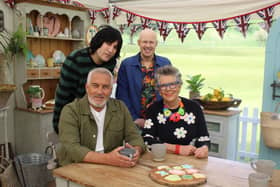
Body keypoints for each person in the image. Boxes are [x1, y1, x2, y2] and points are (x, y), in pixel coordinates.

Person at [57, 68, 145, 167]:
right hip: (77, 166)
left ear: (111, 90)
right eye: (95, 86)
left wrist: (136, 151)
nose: (100, 92)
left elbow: (135, 137)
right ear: (87, 87)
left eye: (105, 87)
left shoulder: (120, 107)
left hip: (112, 166)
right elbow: (72, 148)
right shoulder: (71, 111)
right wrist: (108, 159)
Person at [53, 25, 123, 134]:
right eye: (108, 44)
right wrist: (59, 126)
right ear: (99, 41)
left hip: (96, 119)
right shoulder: (75, 60)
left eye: (115, 47)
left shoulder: (110, 63)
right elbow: (63, 97)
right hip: (73, 117)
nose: (111, 50)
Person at [142, 65, 210, 159]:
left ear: (179, 86)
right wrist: (177, 149)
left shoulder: (194, 107)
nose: (168, 89)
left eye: (172, 84)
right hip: (162, 160)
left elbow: (204, 138)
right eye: (163, 86)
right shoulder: (153, 109)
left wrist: (204, 148)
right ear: (158, 89)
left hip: (191, 161)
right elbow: (147, 140)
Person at [116, 28, 171, 129]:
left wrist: (163, 116)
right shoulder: (127, 65)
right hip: (134, 122)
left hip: (160, 121)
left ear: (156, 44)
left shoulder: (165, 64)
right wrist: (135, 119)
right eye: (145, 42)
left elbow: (170, 92)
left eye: (151, 42)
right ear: (138, 43)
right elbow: (122, 95)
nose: (148, 46)